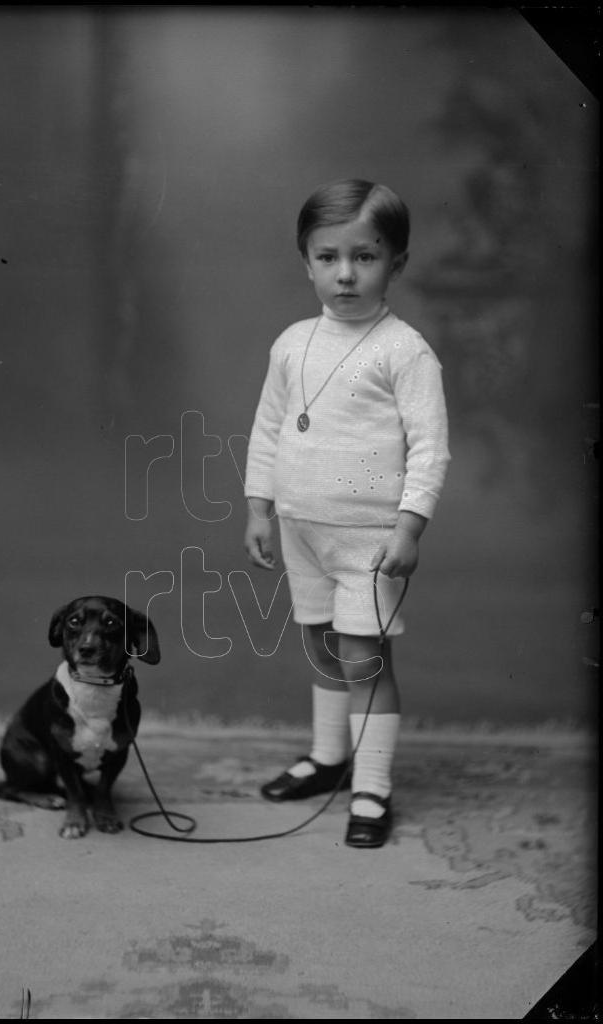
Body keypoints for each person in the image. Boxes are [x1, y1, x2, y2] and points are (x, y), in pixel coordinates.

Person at [244, 178, 450, 848]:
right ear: (307, 262)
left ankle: (371, 787)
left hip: (369, 539)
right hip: (303, 531)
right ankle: (329, 755)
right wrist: (259, 510)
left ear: (397, 263)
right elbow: (269, 428)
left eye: (364, 257)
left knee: (364, 658)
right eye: (328, 257)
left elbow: (430, 447)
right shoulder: (293, 342)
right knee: (321, 647)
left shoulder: (404, 350)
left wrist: (410, 526)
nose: (345, 273)